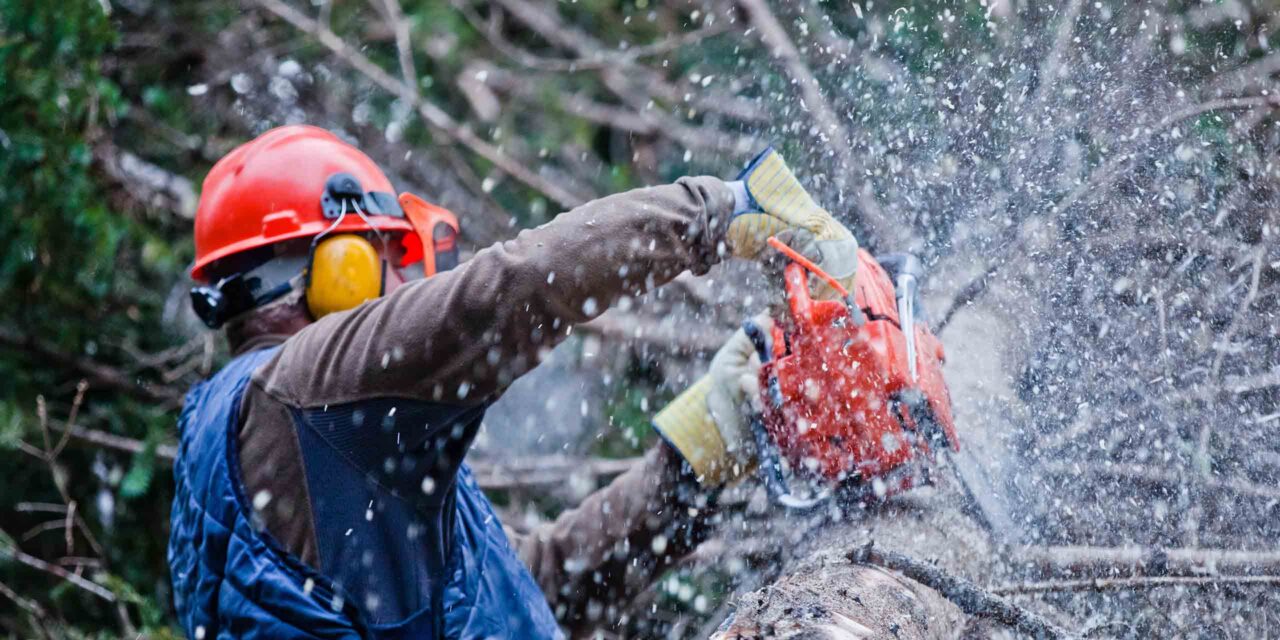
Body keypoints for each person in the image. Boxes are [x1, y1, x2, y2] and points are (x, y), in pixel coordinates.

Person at [167, 124, 858, 639]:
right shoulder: (305, 390)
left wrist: (695, 457)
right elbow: (510, 290)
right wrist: (720, 210)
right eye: (384, 257)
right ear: (337, 266)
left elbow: (528, 589)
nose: (401, 283)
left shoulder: (312, 438)